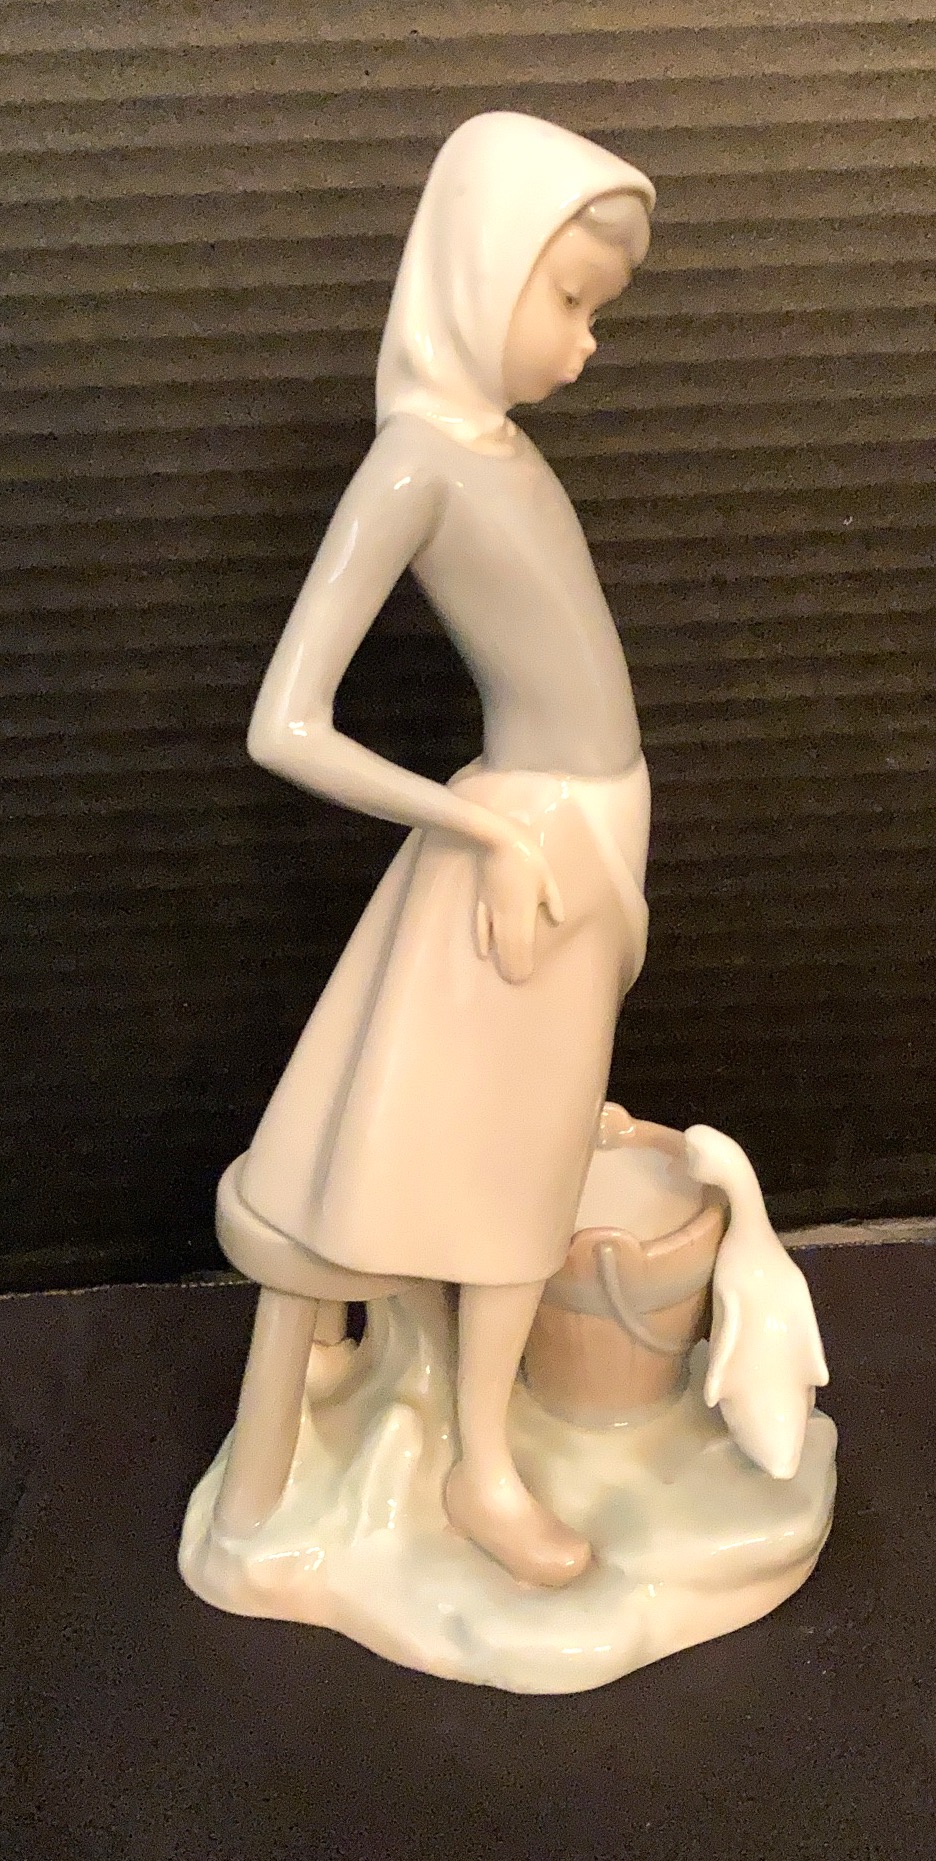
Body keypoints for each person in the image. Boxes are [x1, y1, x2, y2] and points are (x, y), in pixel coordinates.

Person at [220, 112, 656, 1587]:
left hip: (592, 830)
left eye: (597, 310)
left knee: (532, 1148)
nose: (586, 345)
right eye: (570, 300)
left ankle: (476, 1437)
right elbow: (287, 721)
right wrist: (481, 824)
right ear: (479, 266)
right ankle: (481, 1466)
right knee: (512, 1179)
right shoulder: (415, 464)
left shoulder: (502, 452)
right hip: (532, 841)